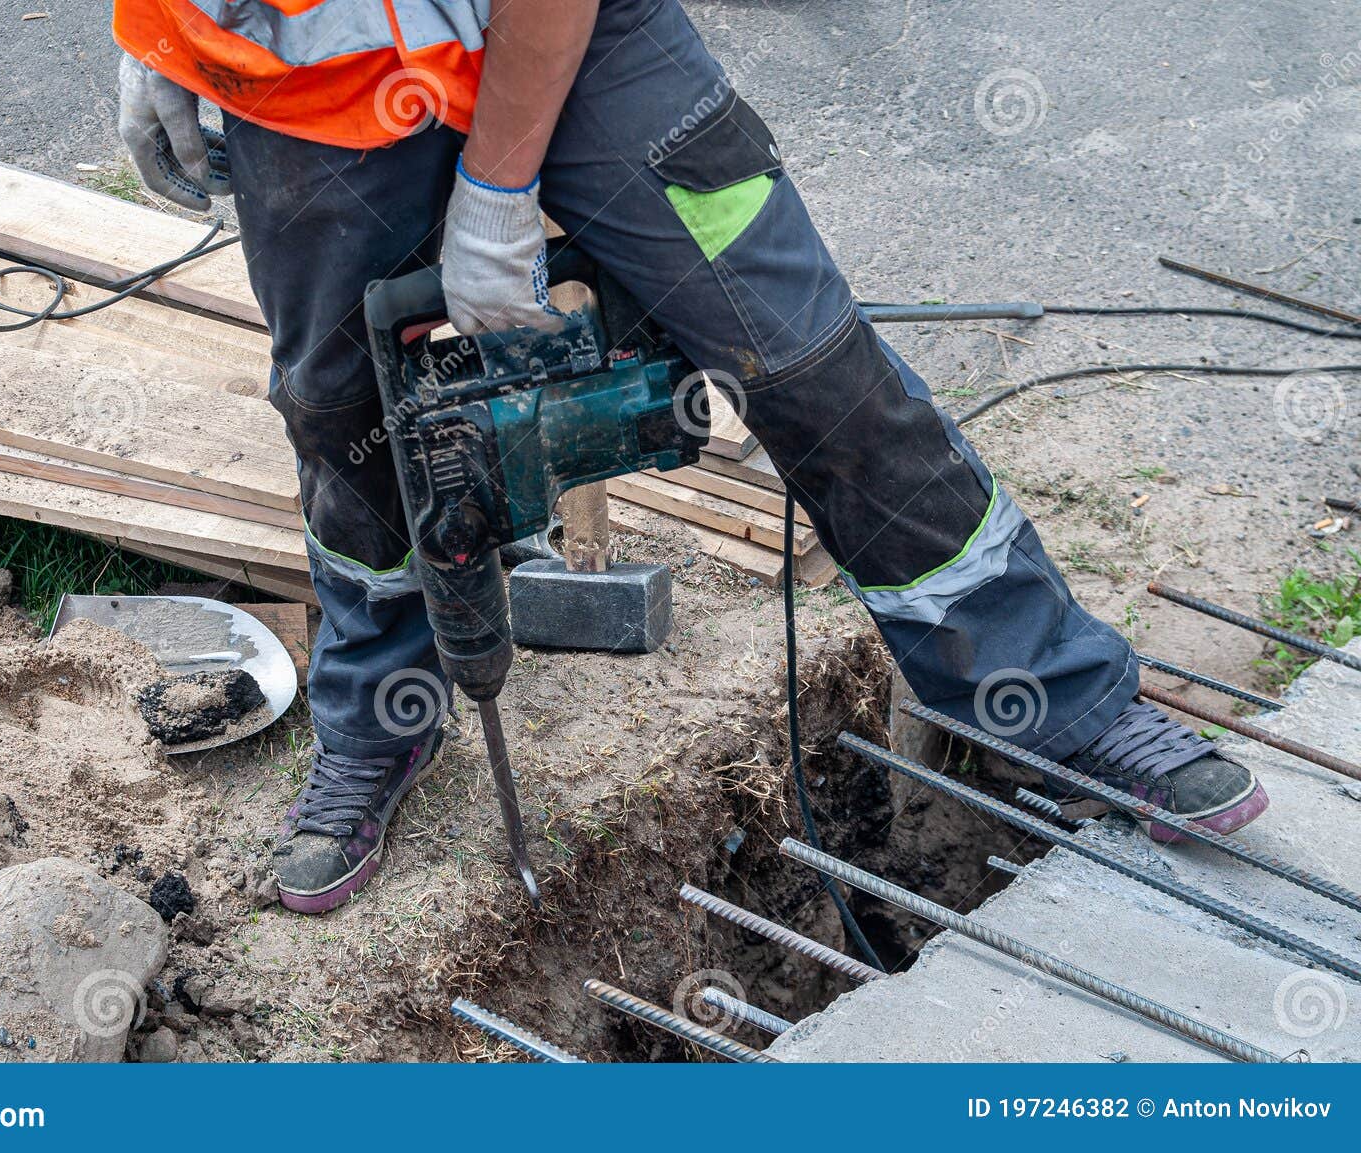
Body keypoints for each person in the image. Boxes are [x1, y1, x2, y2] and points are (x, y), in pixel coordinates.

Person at [112, 0, 1267, 914]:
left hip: (580, 35)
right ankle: (379, 721)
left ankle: (1047, 692)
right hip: (309, 93)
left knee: (807, 360)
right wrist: (164, 35)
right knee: (343, 413)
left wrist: (499, 190)